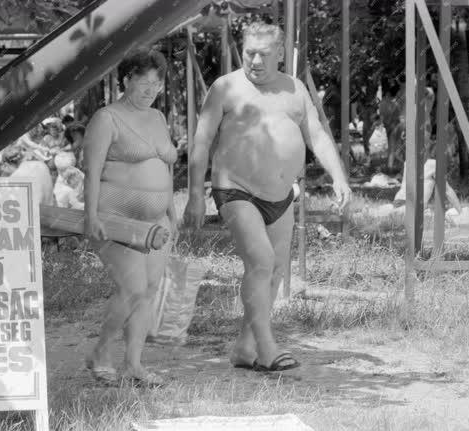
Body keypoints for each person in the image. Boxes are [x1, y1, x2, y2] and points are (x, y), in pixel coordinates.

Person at [183, 21, 351, 373]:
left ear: (278, 53)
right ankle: (266, 345)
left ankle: (244, 348)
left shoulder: (295, 88)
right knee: (260, 262)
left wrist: (339, 177)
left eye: (263, 54)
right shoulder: (225, 87)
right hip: (235, 189)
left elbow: (316, 134)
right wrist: (195, 195)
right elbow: (200, 142)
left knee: (275, 272)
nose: (255, 61)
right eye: (249, 53)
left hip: (281, 195)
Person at [83, 47, 177, 387]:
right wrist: (90, 216)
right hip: (114, 218)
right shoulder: (106, 118)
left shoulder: (157, 118)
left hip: (157, 223)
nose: (151, 90)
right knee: (132, 287)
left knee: (149, 289)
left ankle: (134, 364)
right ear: (127, 80)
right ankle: (100, 353)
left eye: (156, 83)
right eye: (143, 82)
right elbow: (91, 173)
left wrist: (171, 209)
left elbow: (166, 164)